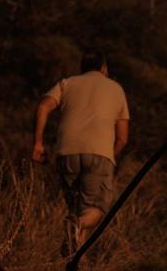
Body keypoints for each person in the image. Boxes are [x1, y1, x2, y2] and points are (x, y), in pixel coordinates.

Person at [31, 51, 129, 256]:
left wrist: (38, 143)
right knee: (95, 210)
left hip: (66, 152)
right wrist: (110, 157)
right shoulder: (116, 88)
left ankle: (77, 262)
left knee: (76, 210)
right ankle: (77, 225)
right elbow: (122, 138)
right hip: (100, 153)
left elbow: (43, 106)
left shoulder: (67, 83)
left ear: (82, 67)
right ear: (104, 69)